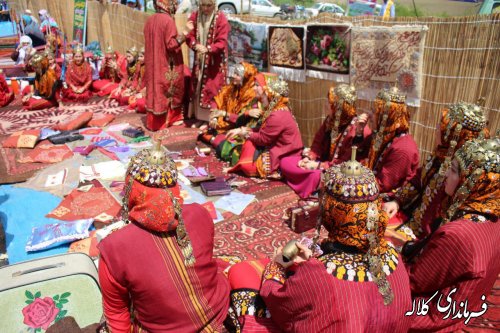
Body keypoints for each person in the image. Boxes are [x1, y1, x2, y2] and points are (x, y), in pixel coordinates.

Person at [254, 149, 412, 332]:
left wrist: (276, 267)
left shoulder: (322, 273)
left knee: (244, 286)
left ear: (331, 211)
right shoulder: (394, 255)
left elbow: (281, 305)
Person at [98, 142, 231, 332]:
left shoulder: (113, 247)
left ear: (130, 189)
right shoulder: (199, 213)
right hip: (216, 318)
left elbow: (116, 312)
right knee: (223, 264)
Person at [406, 137, 500, 332]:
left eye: (455, 170)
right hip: (467, 305)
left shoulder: (459, 234)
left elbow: (415, 282)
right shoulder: (492, 217)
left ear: (472, 182)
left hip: (436, 315)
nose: (446, 173)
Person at [383, 101, 489, 239]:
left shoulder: (461, 176)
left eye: (443, 126)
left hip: (426, 240)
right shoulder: (439, 156)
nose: (438, 127)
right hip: (410, 221)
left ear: (452, 136)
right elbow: (418, 178)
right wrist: (397, 201)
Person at [280, 84, 371, 198]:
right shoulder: (330, 120)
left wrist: (317, 166)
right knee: (285, 162)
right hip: (320, 163)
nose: (326, 105)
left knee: (315, 176)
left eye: (329, 103)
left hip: (335, 172)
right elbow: (317, 143)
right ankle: (309, 184)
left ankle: (311, 184)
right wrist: (309, 158)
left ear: (338, 108)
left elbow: (343, 164)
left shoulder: (357, 130)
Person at [226, 76, 303, 179]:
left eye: (257, 86)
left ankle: (276, 171)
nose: (254, 88)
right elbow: (263, 130)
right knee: (244, 144)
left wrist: (244, 133)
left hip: (283, 154)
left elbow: (263, 139)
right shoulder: (276, 109)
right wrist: (242, 130)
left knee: (247, 166)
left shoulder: (277, 115)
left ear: (268, 94)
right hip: (277, 148)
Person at [363, 86, 420, 194]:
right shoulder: (384, 136)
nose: (370, 115)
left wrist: (351, 185)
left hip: (386, 202)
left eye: (375, 111)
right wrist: (359, 133)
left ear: (386, 117)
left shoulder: (403, 149)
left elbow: (382, 184)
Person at [199, 62, 262, 159]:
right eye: (234, 73)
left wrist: (224, 114)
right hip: (225, 124)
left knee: (222, 144)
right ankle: (214, 138)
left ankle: (214, 139)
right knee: (203, 131)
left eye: (237, 74)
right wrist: (214, 117)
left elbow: (243, 118)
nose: (233, 76)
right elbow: (217, 100)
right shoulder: (232, 87)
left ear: (244, 78)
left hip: (240, 127)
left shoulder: (252, 95)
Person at [185, 0, 230, 129]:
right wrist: (195, 45)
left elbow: (222, 41)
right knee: (199, 86)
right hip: (200, 59)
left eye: (208, 5)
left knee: (212, 88)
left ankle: (210, 120)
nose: (205, 8)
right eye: (203, 5)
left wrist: (209, 49)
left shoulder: (221, 19)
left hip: (214, 62)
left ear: (214, 4)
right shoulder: (195, 15)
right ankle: (200, 117)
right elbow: (189, 35)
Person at [143, 0, 187, 131]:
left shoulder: (149, 20)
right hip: (165, 64)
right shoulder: (167, 20)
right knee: (166, 90)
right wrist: (184, 34)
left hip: (152, 64)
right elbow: (171, 44)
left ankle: (152, 123)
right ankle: (168, 120)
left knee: (154, 90)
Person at [127, 47, 147, 113]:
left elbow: (151, 84)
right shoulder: (139, 65)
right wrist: (132, 89)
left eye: (141, 56)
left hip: (148, 92)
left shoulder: (150, 66)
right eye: (138, 56)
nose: (139, 58)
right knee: (127, 98)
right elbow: (135, 78)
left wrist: (142, 93)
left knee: (140, 103)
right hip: (138, 89)